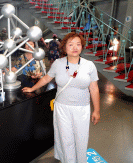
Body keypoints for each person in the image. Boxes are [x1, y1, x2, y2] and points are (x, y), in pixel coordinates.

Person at [22, 32, 100, 163]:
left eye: (78, 44)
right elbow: (47, 78)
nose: (75, 47)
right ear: (64, 47)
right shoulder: (58, 63)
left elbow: (94, 88)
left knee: (81, 138)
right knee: (66, 138)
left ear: (82, 47)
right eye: (71, 44)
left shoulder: (89, 65)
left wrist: (96, 110)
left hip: (82, 109)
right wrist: (32, 88)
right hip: (62, 108)